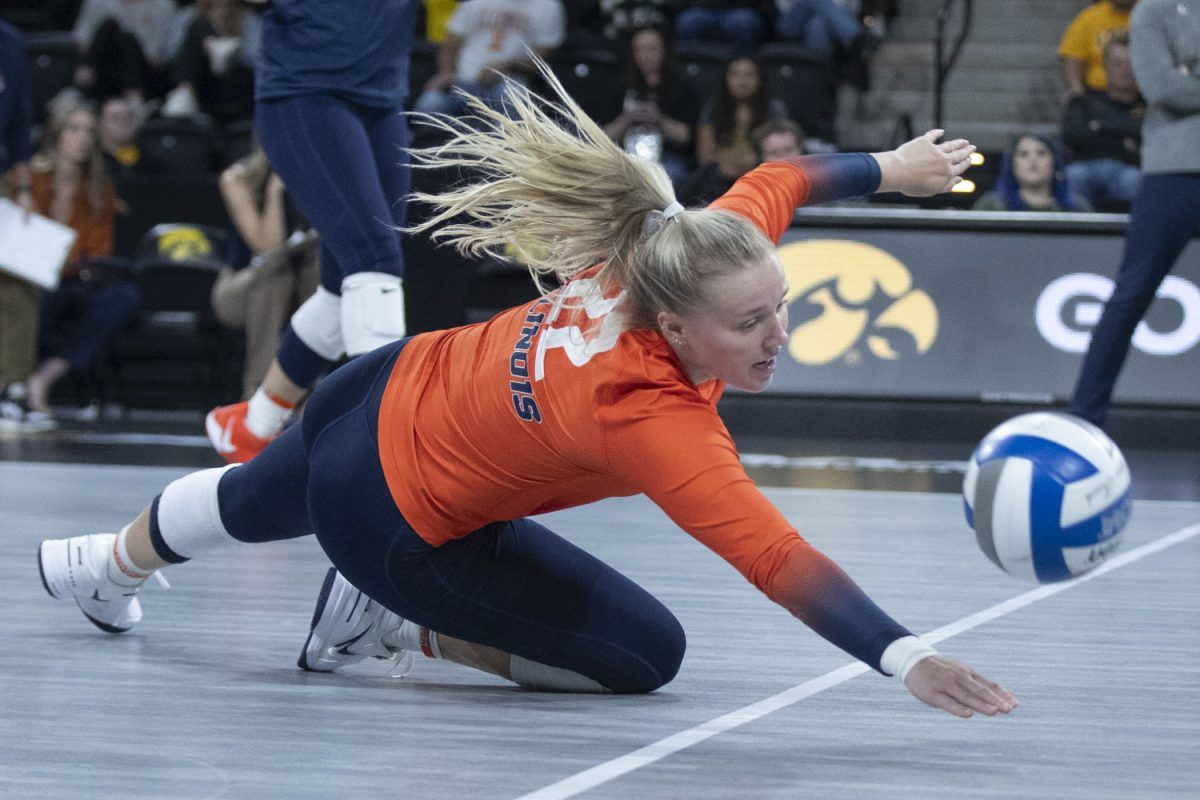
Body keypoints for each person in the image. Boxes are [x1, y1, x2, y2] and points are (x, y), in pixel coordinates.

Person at [37, 62, 1016, 719]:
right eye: (750, 323)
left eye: (779, 307)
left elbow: (779, 177)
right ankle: (392, 615)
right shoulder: (650, 415)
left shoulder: (681, 245)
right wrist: (906, 656)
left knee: (253, 497)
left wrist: (898, 167)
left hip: (373, 389)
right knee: (648, 656)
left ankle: (98, 563)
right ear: (675, 328)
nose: (778, 334)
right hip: (392, 518)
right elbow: (777, 556)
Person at [205, 0, 417, 463]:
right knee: (376, 262)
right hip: (307, 93)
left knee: (345, 284)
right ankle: (384, 441)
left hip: (381, 99)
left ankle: (251, 426)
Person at [1069, 0, 1200, 427]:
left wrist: (1190, 76)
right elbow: (1162, 88)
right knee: (1132, 293)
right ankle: (1085, 419)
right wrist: (1179, 79)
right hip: (1174, 173)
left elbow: (1181, 88)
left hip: (1176, 160)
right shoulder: (1154, 11)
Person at [22, 100, 140, 422]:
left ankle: (44, 376)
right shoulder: (30, 180)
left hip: (75, 278)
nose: (83, 138)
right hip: (34, 277)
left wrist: (74, 264)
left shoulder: (100, 187)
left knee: (123, 296)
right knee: (35, 298)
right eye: (74, 129)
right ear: (57, 135)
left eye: (89, 130)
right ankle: (14, 381)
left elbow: (99, 250)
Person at [210, 148, 319, 400]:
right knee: (275, 277)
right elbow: (267, 249)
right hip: (238, 288)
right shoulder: (238, 178)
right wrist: (274, 190)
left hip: (298, 286)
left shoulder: (314, 174)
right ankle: (259, 393)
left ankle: (309, 391)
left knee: (317, 269)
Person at [413, 0, 566, 119]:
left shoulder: (548, 6)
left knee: (513, 103)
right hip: (462, 80)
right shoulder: (475, 2)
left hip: (509, 81)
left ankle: (508, 155)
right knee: (428, 105)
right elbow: (450, 43)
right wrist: (446, 72)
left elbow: (541, 60)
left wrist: (506, 67)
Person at [0, 20, 43, 431]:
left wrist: (25, 186)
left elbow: (20, 120)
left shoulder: (10, 42)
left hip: (1, 180)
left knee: (17, 281)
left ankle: (12, 388)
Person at [683, 56, 790, 204]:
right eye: (735, 75)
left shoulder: (774, 109)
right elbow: (705, 157)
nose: (742, 81)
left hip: (762, 175)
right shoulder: (714, 108)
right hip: (720, 177)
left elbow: (783, 152)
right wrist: (729, 165)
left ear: (760, 79)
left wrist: (752, 164)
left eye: (749, 75)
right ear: (726, 79)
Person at [601, 24, 700, 186]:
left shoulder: (681, 87)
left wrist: (658, 119)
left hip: (668, 157)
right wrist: (628, 118)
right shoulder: (619, 86)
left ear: (664, 51)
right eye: (640, 50)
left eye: (652, 49)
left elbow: (686, 137)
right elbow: (604, 136)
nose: (646, 56)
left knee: (672, 174)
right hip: (625, 155)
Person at [1061, 30, 1144, 210]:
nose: (1125, 71)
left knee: (1136, 181)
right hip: (1085, 167)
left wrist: (1099, 126)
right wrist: (1126, 138)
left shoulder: (1150, 105)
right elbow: (1072, 135)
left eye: (1130, 64)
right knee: (1073, 177)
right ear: (1105, 66)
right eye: (1118, 64)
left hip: (1129, 169)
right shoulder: (1083, 100)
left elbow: (1149, 138)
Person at [161, 0, 261, 125]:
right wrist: (208, 35)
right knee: (198, 25)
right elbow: (171, 55)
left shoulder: (247, 17)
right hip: (202, 86)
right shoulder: (188, 14)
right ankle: (186, 89)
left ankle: (185, 88)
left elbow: (256, 60)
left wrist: (231, 42)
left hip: (235, 86)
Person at [71, 0, 182, 110]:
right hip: (102, 69)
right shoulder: (97, 2)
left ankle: (134, 102)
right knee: (109, 25)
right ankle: (80, 93)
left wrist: (127, 47)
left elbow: (160, 58)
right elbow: (83, 42)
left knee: (128, 39)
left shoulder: (164, 6)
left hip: (144, 76)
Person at [971, 133, 1093, 212]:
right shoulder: (990, 206)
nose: (1033, 160)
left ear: (1055, 163)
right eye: (1024, 154)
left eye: (1041, 153)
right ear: (1012, 165)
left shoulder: (1078, 207)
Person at [1058, 0, 1136, 101]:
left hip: (1142, 97)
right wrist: (1077, 90)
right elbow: (1071, 57)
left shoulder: (1149, 15)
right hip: (1097, 96)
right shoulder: (1091, 17)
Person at [96, 95, 166, 176]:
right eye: (116, 117)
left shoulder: (152, 161)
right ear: (100, 123)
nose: (124, 122)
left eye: (129, 116)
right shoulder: (94, 161)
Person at [674, 1, 774, 56]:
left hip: (744, 7)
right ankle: (692, 70)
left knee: (741, 23)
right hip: (706, 7)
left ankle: (744, 71)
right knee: (688, 22)